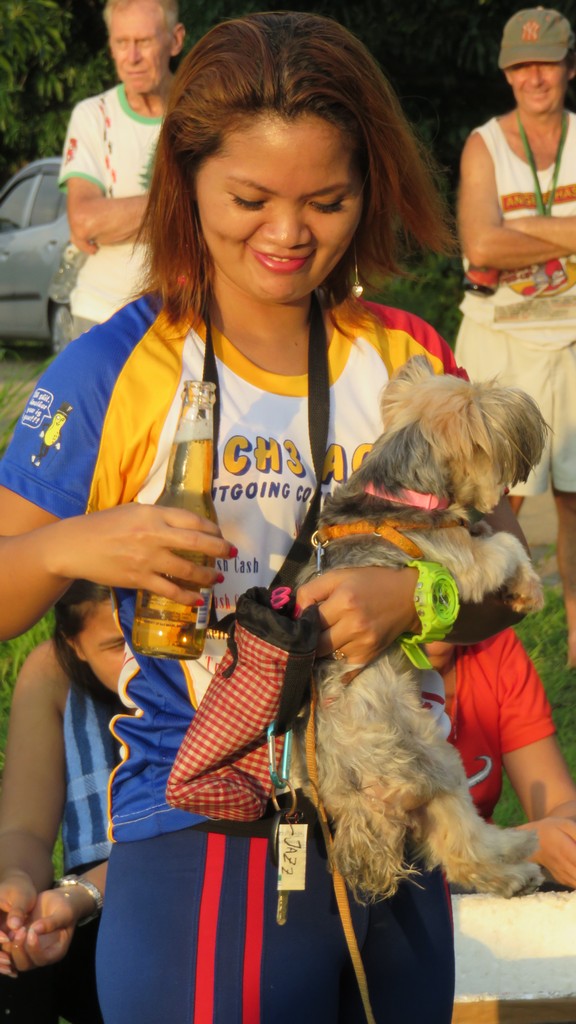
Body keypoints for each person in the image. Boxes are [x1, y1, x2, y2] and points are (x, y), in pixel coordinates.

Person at [0, 13, 536, 1023]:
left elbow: (508, 581)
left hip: (397, 828)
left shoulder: (405, 359)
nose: (288, 234)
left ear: (369, 186)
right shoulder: (116, 367)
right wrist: (81, 543)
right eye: (249, 200)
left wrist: (414, 597)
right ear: (186, 180)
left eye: (327, 202)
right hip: (204, 839)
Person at [455, 6, 576, 668]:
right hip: (500, 337)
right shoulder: (486, 145)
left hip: (573, 338)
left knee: (575, 501)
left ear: (569, 67)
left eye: (546, 64)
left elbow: (499, 239)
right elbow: (480, 244)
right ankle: (475, 645)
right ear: (506, 73)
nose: (535, 78)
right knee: (489, 498)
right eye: (521, 65)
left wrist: (518, 233)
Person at [0, 581, 125, 1022]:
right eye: (117, 645)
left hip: (178, 889)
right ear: (75, 644)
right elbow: (25, 829)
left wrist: (84, 895)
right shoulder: (52, 673)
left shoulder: (200, 669)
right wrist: (15, 883)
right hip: (82, 910)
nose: (140, 662)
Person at [58, 0, 185, 340]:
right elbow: (84, 221)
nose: (132, 57)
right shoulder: (93, 116)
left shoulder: (202, 115)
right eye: (121, 42)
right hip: (99, 315)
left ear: (175, 40)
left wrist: (117, 218)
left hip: (181, 313)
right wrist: (185, 205)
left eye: (144, 42)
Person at [426, 631, 576, 890]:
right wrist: (521, 846)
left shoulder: (492, 644)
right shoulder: (359, 673)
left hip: (480, 886)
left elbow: (558, 802)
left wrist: (564, 833)